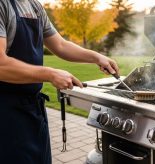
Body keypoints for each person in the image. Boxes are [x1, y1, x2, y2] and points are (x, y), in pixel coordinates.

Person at [0, 0, 119, 163]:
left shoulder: (34, 6)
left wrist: (96, 57)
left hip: (32, 110)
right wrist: (50, 74)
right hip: (5, 112)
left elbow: (60, 45)